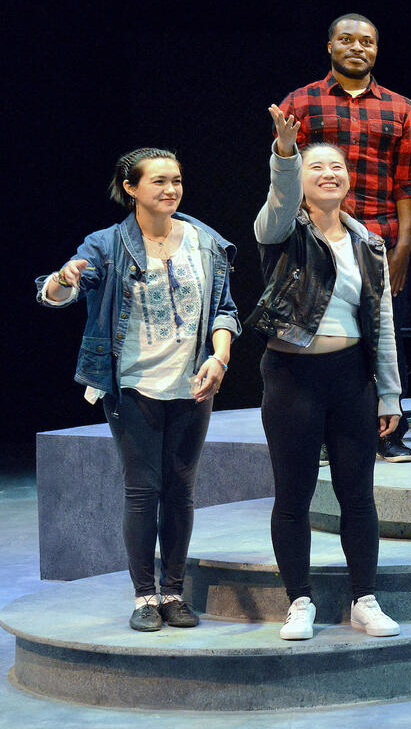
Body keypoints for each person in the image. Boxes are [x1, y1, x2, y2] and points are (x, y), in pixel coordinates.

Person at [36, 148, 239, 631]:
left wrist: (219, 357)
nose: (171, 189)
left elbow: (224, 309)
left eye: (177, 180)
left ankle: (174, 592)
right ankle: (145, 596)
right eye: (159, 181)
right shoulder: (106, 244)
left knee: (181, 491)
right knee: (144, 490)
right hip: (132, 386)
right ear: (131, 188)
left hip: (192, 384)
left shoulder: (205, 240)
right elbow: (57, 293)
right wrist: (64, 279)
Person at [251, 106, 406, 641]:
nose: (329, 174)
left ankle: (365, 598)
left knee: (357, 494)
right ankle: (299, 601)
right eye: (316, 167)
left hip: (351, 377)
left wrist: (390, 393)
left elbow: (382, 322)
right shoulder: (280, 232)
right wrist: (286, 153)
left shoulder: (369, 243)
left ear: (349, 180)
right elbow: (279, 201)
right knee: (293, 496)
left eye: (336, 167)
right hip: (292, 377)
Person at [278, 13, 411, 464]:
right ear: (330, 46)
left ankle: (389, 431)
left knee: (385, 337)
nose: (357, 47)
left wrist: (404, 247)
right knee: (322, 335)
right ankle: (325, 432)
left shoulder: (401, 108)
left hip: (379, 239)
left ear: (376, 49)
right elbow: (287, 177)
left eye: (367, 42)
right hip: (315, 240)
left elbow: (408, 183)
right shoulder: (300, 101)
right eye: (346, 39)